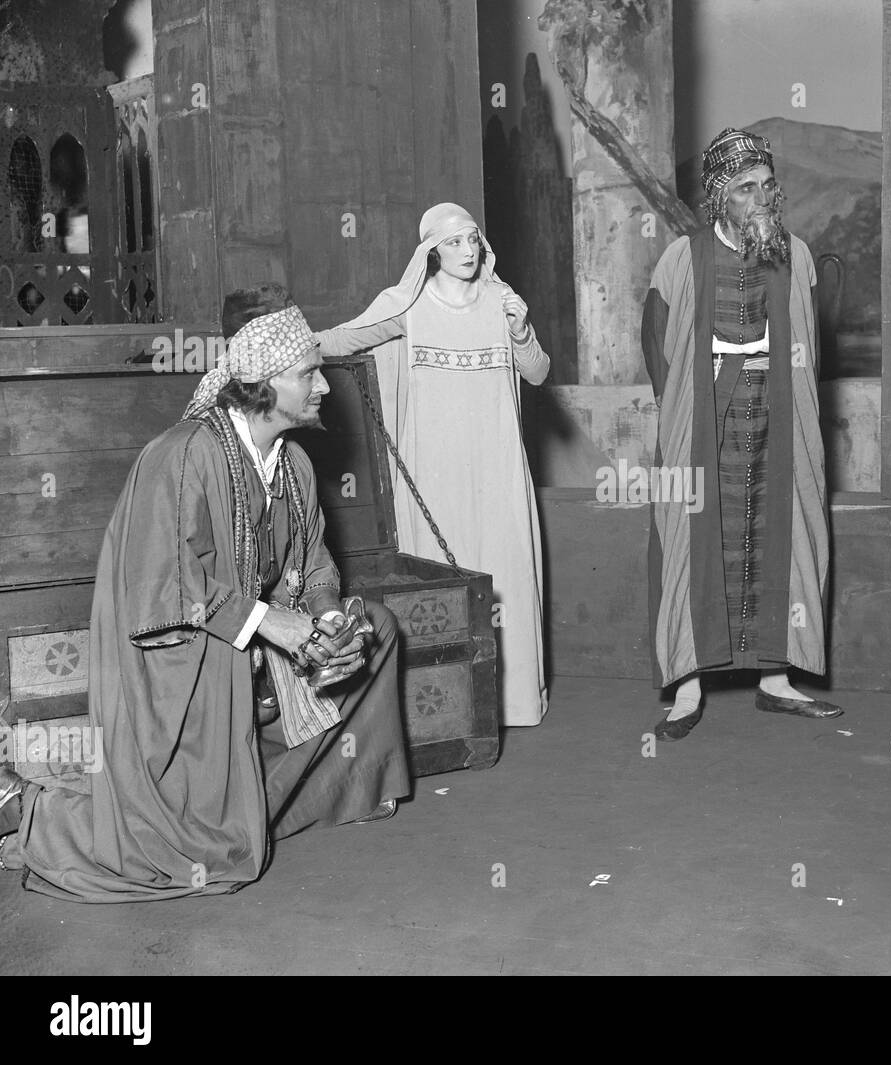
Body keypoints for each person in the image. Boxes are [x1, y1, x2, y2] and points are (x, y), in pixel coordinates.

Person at [0, 286, 410, 900]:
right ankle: (19, 806)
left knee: (374, 627)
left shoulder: (293, 464)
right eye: (309, 373)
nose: (324, 386)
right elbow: (165, 588)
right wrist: (272, 625)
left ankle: (264, 799)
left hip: (252, 642)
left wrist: (325, 617)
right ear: (264, 384)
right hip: (178, 658)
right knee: (206, 862)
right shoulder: (185, 455)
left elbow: (317, 559)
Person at [314, 204, 550, 728]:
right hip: (435, 471)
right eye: (454, 243)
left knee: (504, 573)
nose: (467, 252)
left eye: (473, 240)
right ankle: (445, 704)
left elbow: (537, 374)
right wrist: (287, 351)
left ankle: (511, 701)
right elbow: (341, 339)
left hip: (497, 468)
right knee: (441, 574)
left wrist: (521, 328)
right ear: (431, 251)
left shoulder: (501, 302)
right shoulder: (409, 307)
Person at [640, 127, 839, 742]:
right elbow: (658, 347)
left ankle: (776, 681)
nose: (760, 199)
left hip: (778, 407)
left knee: (783, 528)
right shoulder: (681, 257)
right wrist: (690, 413)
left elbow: (814, 336)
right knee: (696, 540)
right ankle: (688, 688)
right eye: (745, 188)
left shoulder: (795, 254)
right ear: (719, 196)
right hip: (705, 412)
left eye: (767, 188)